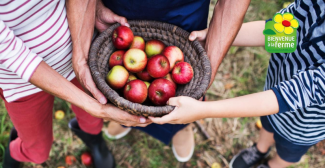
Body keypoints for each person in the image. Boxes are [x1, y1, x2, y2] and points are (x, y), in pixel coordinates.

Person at [150, 0, 325, 167]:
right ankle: (260, 149)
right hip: (274, 90)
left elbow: (296, 93)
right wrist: (213, 35)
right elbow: (287, 31)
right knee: (268, 124)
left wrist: (204, 110)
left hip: (304, 126)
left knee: (288, 151)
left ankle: (274, 165)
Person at [91, 0, 250, 162]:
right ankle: (126, 122)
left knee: (182, 100)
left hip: (184, 14)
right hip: (122, 13)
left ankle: (181, 128)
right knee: (127, 101)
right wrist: (94, 5)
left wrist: (210, 65)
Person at [1, 1, 150, 168]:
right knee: (37, 152)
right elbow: (11, 53)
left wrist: (96, 8)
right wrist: (94, 106)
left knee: (93, 121)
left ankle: (94, 140)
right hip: (21, 82)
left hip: (79, 53)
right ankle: (16, 147)